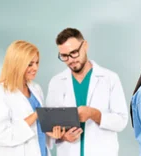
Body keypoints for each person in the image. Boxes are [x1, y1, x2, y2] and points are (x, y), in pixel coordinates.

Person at [45, 28, 129, 156]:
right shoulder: (56, 82)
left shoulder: (110, 78)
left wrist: (94, 114)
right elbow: (50, 126)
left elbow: (121, 121)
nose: (70, 60)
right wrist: (63, 136)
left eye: (74, 53)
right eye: (64, 56)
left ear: (85, 46)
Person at [0, 40, 65, 156]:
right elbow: (0, 135)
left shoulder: (35, 88)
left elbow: (38, 127)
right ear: (16, 63)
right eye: (30, 64)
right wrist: (35, 115)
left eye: (37, 63)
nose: (35, 68)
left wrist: (51, 133)